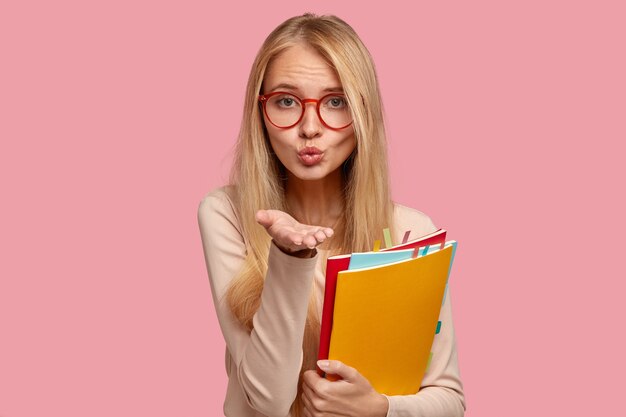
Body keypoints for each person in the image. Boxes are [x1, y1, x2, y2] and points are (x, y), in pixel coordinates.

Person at [198, 13, 465, 417]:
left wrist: (380, 409)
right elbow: (268, 401)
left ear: (362, 114)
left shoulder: (412, 231)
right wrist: (290, 257)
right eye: (286, 101)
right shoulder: (229, 214)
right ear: (260, 111)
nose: (309, 128)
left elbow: (450, 400)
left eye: (335, 102)